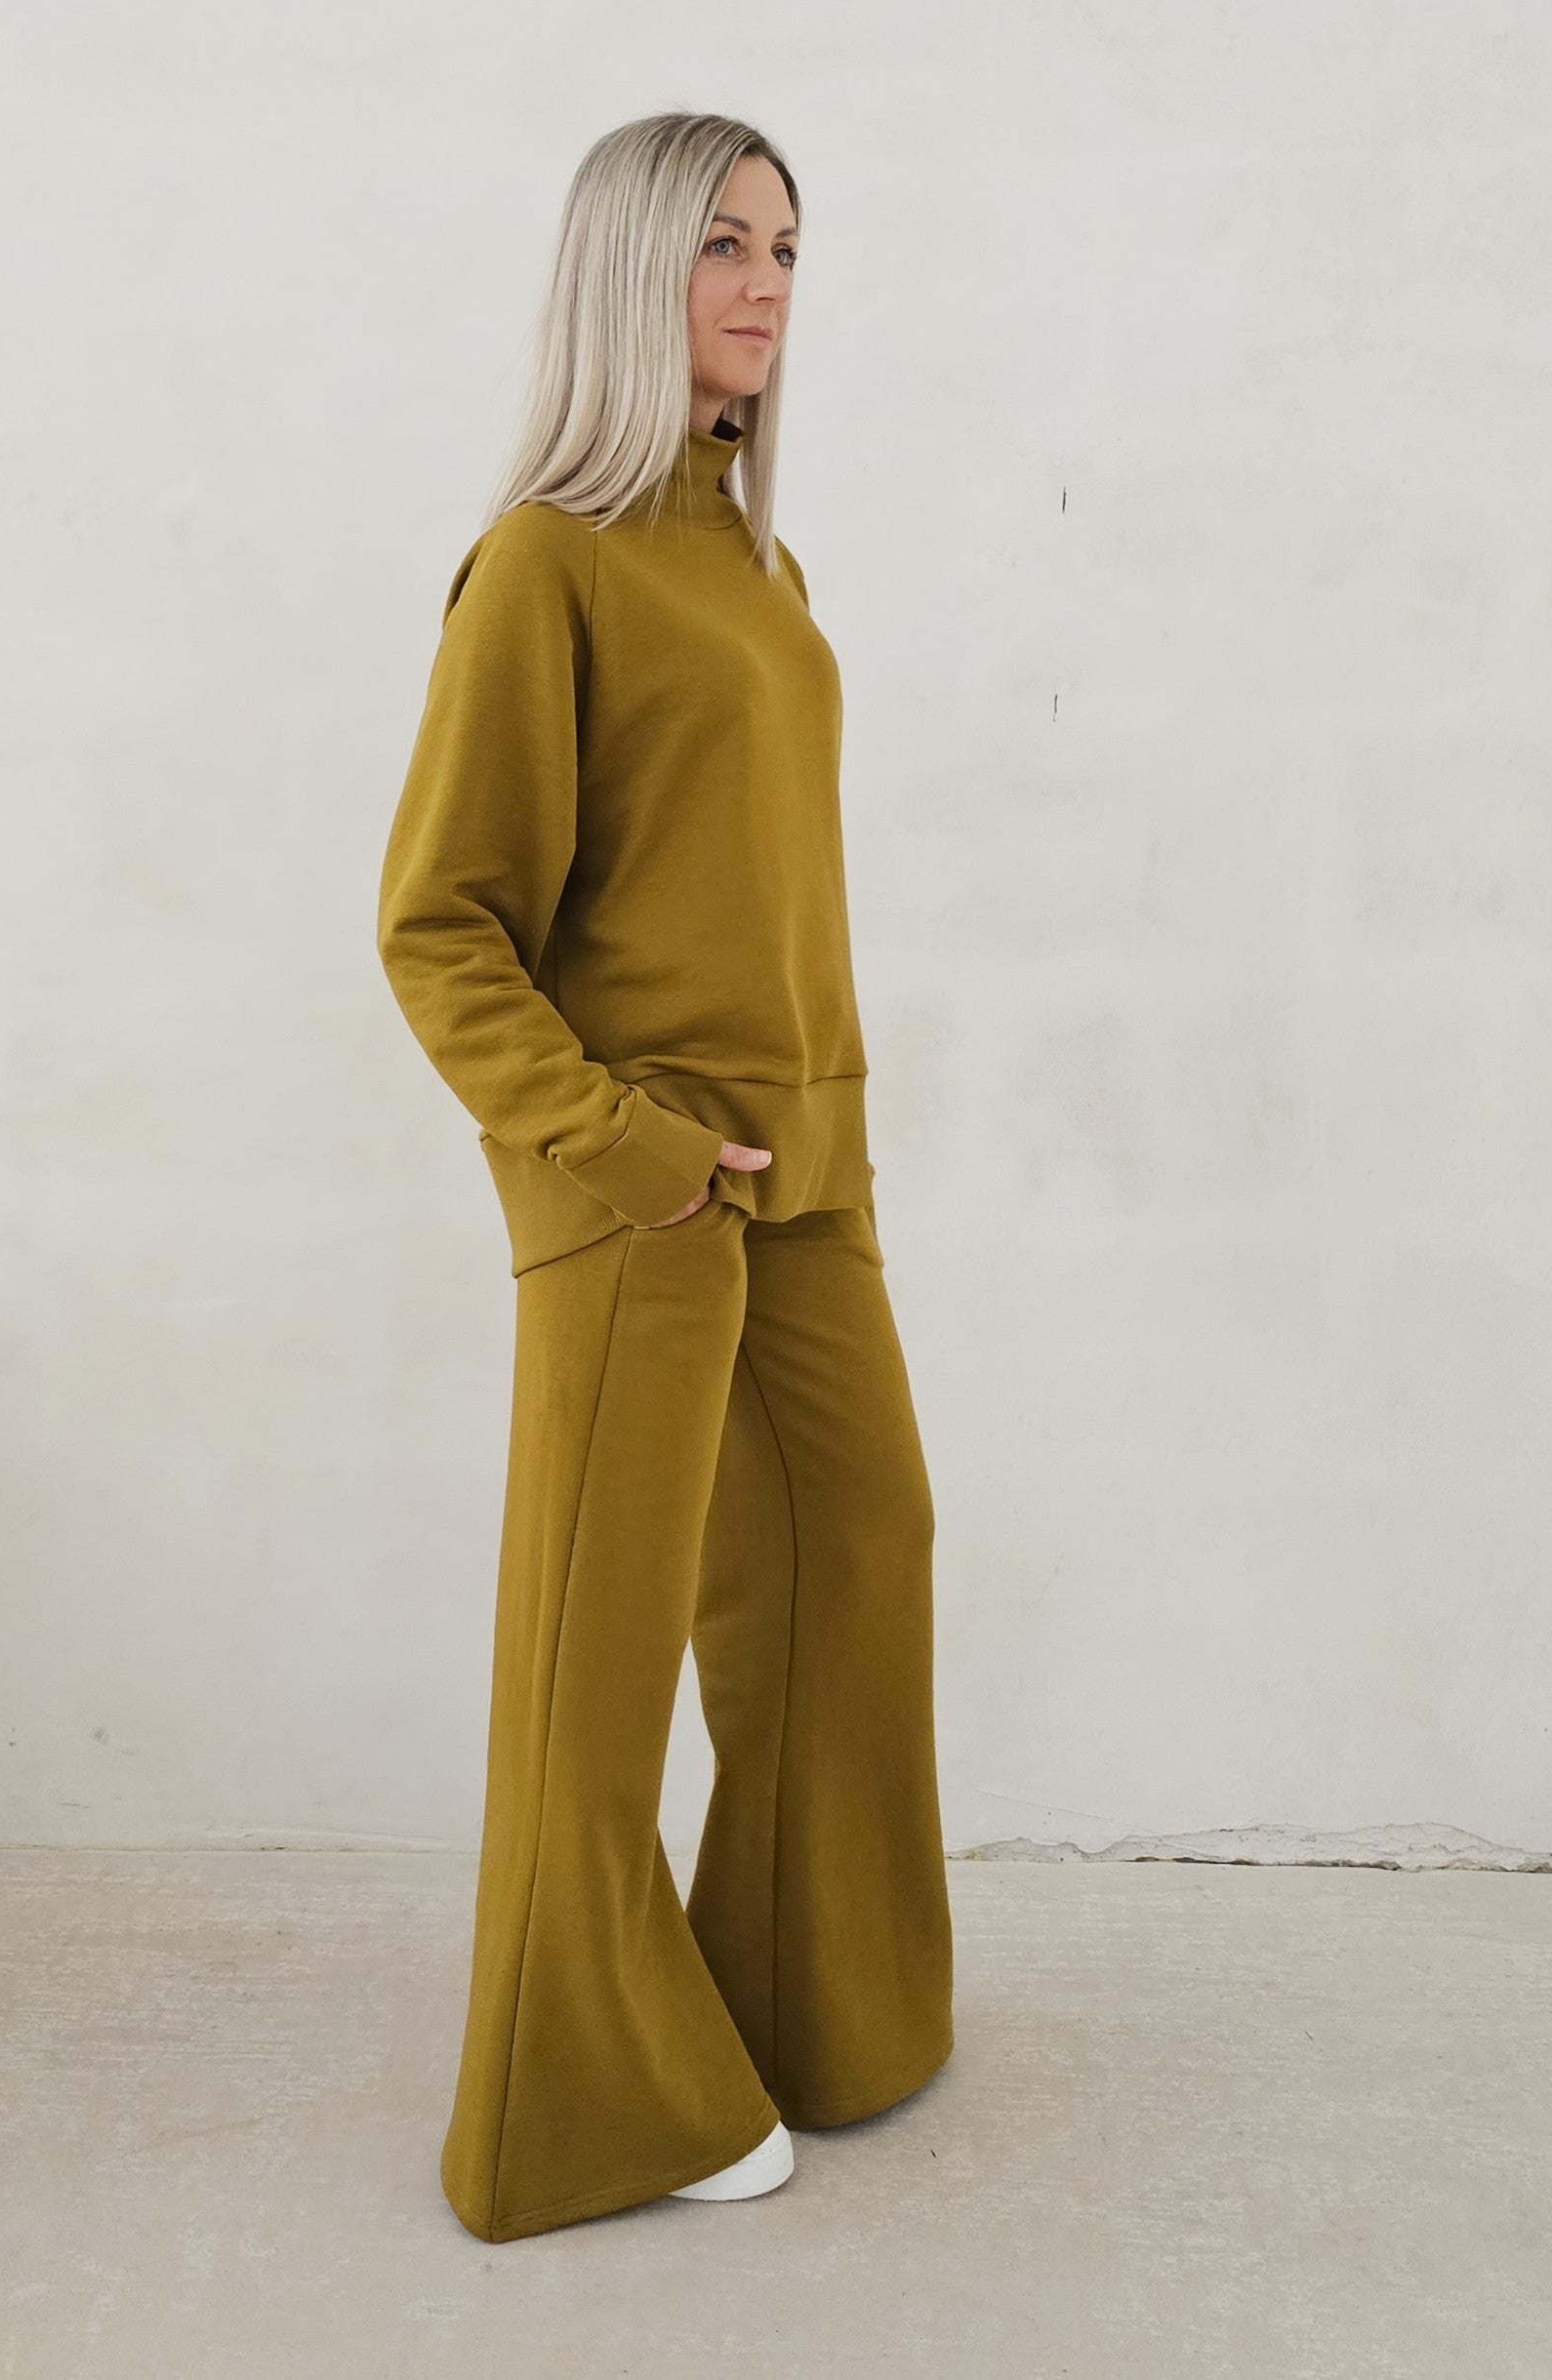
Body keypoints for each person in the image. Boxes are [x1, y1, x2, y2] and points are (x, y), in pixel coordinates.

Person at [377, 109, 954, 2246]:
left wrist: (826, 1123)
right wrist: (623, 1149)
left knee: (858, 1548)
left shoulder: (758, 565)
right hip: (639, 1183)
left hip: (804, 1170)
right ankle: (574, 2112)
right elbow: (439, 924)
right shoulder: (545, 560)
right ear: (632, 270)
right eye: (721, 242)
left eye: (786, 245)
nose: (765, 283)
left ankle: (811, 2010)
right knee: (594, 1659)